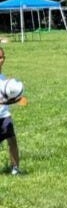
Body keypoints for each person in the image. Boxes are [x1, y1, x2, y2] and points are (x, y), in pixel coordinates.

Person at [0, 47, 23, 176]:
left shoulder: (5, 80)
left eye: (1, 57)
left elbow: (6, 98)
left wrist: (15, 99)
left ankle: (15, 168)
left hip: (4, 115)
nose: (0, 60)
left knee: (12, 141)